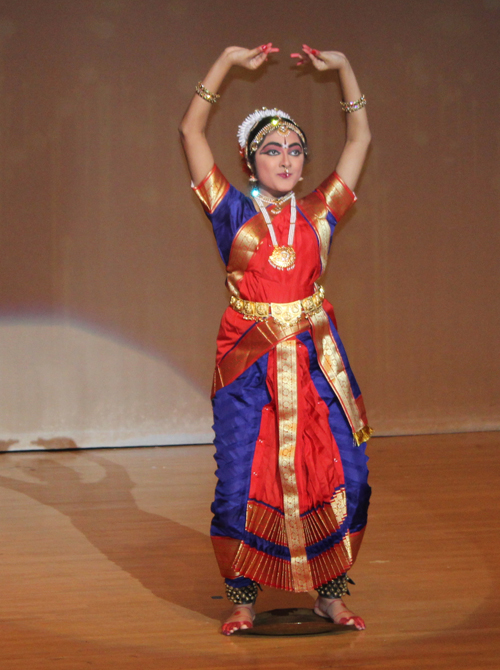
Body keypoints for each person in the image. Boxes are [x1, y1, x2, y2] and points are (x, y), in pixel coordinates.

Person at [179, 43, 372, 636]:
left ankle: (330, 594)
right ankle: (242, 598)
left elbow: (360, 140)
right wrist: (224, 66)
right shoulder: (231, 212)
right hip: (247, 362)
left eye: (294, 150)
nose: (285, 159)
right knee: (240, 478)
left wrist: (343, 68)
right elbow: (190, 128)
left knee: (344, 474)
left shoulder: (320, 213)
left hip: (316, 363)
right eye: (271, 149)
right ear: (249, 159)